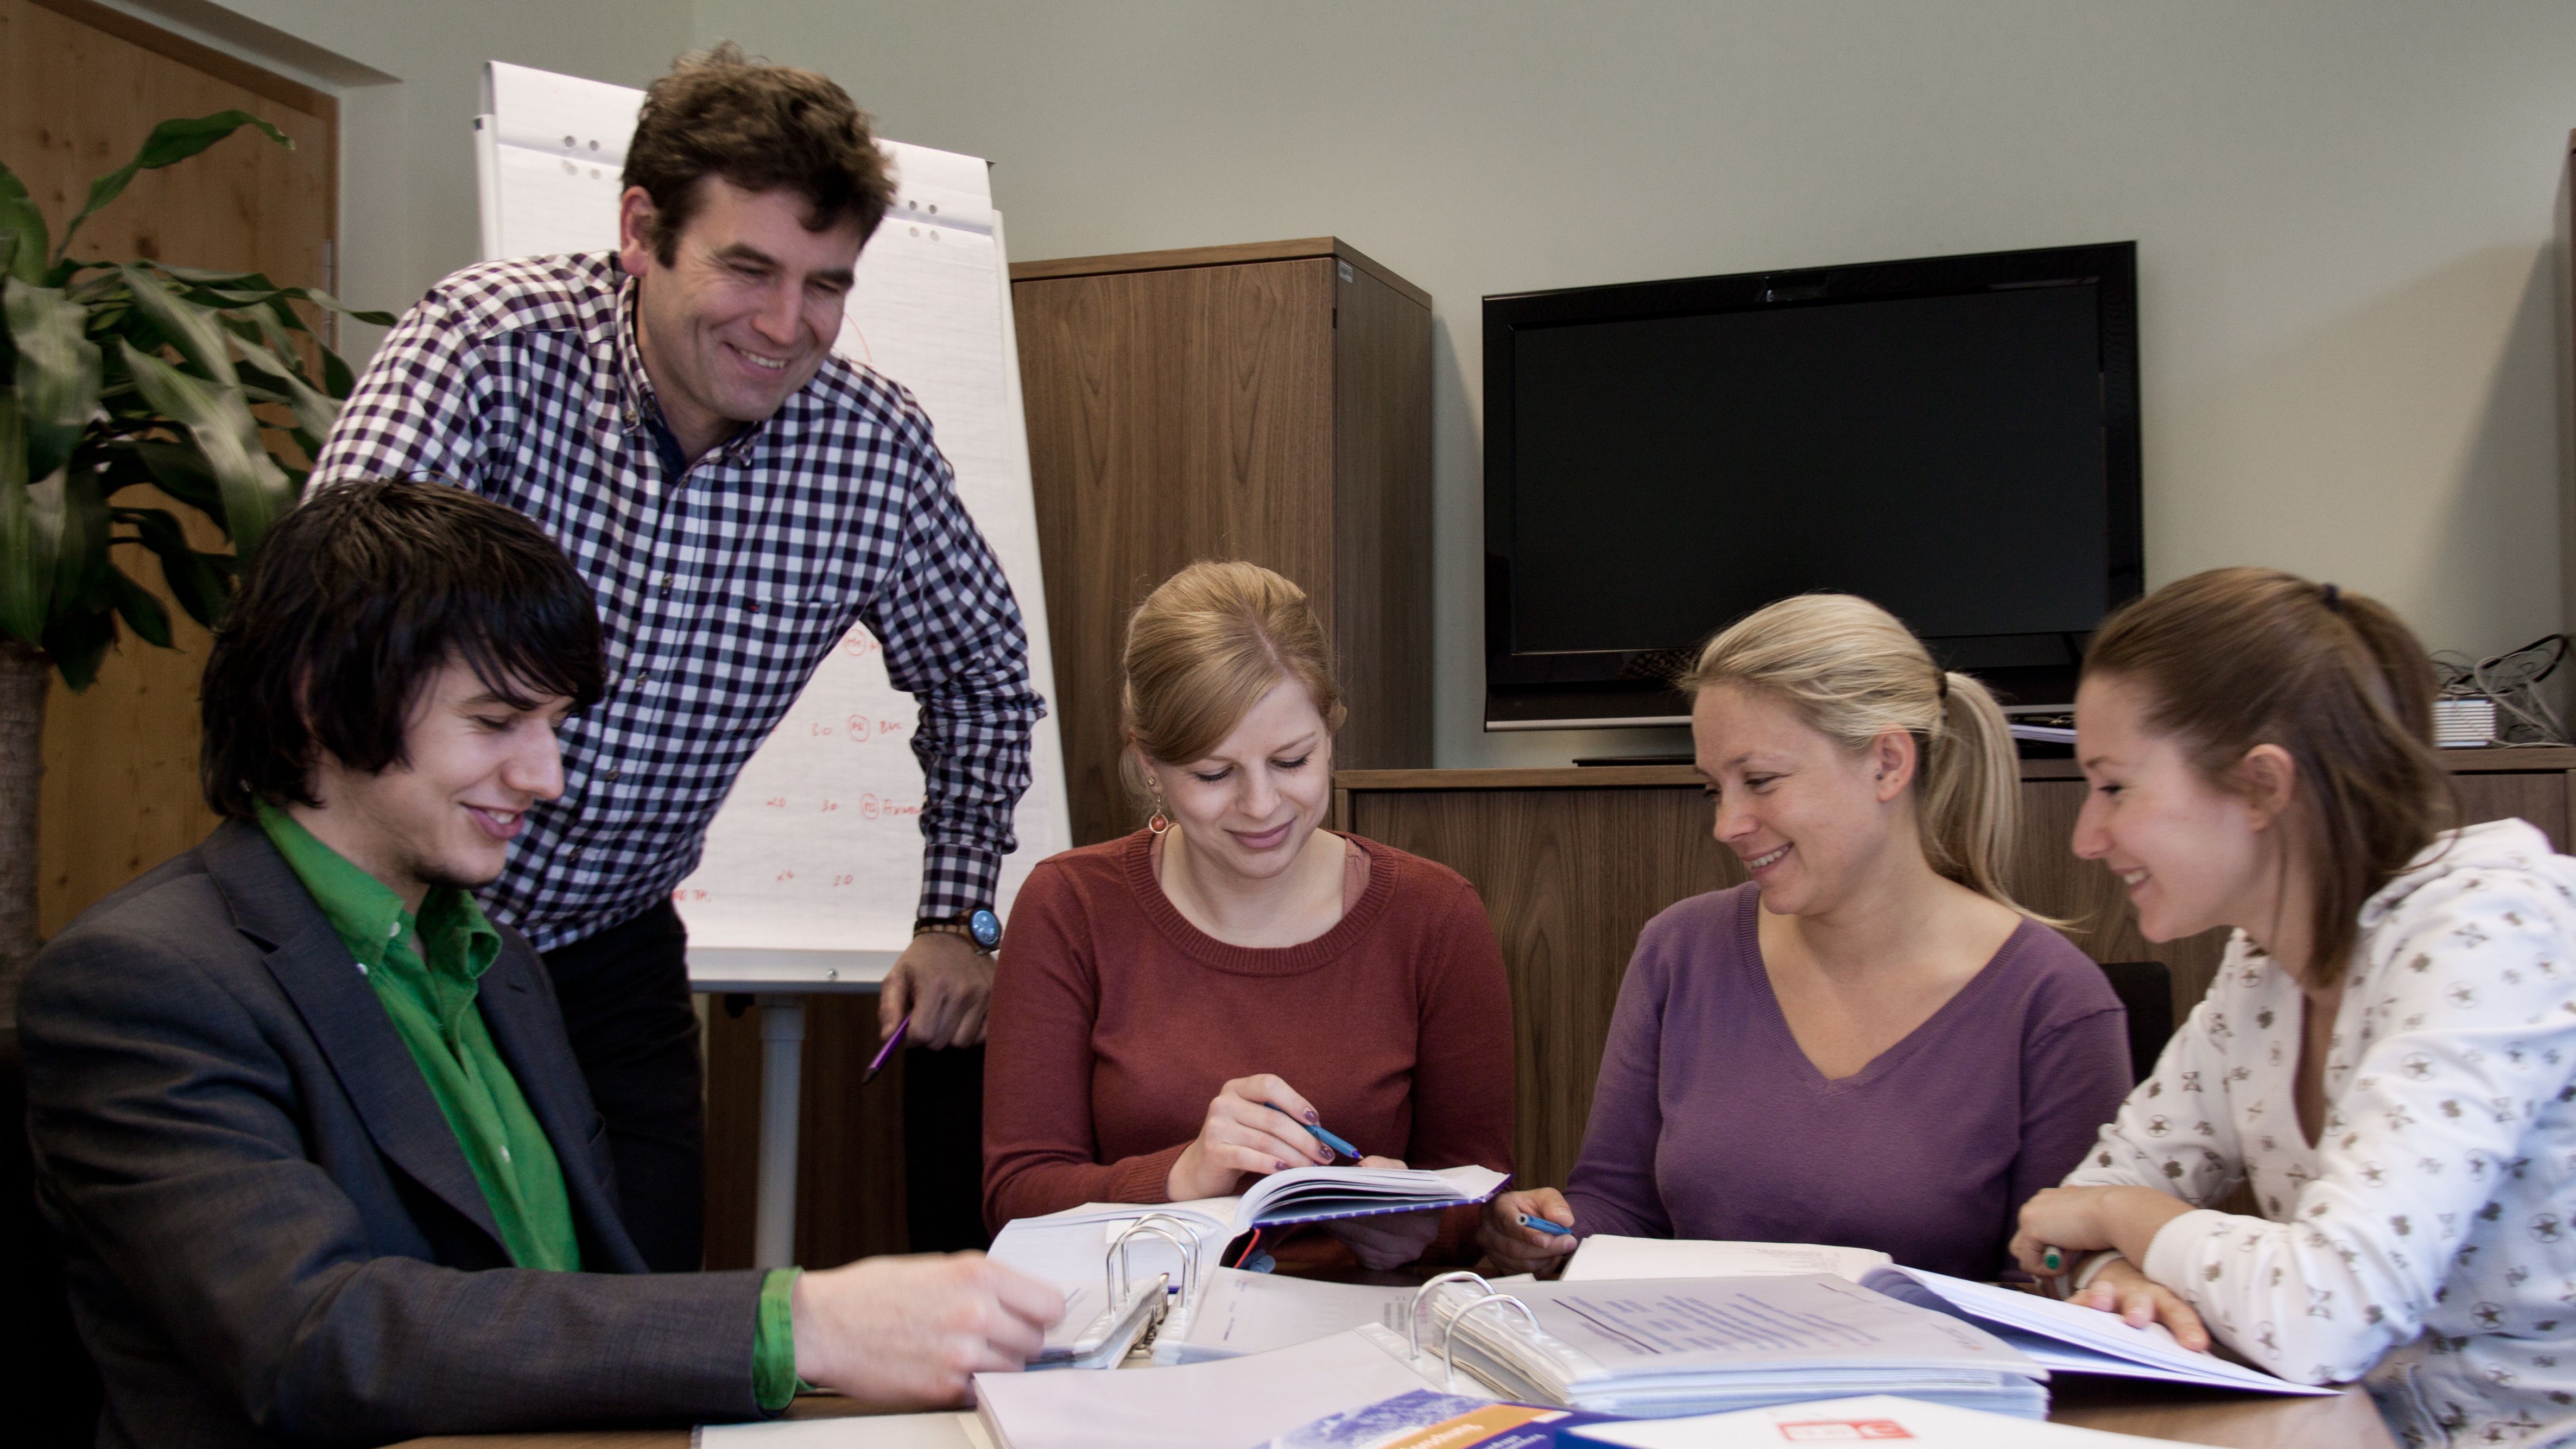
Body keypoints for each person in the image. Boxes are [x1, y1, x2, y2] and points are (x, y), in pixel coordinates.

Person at [18, 482, 1061, 1447]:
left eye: (555, 724)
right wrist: (802, 1322)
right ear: (317, 698)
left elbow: (573, 1307)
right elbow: (318, 1334)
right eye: (496, 721)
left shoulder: (501, 961)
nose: (548, 774)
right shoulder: (144, 981)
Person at [312, 45, 1039, 1269]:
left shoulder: (870, 450)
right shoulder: (487, 348)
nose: (783, 324)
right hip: (393, 932)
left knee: (642, 1298)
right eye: (746, 267)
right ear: (639, 228)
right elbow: (332, 624)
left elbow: (978, 670)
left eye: (824, 285)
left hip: (608, 946)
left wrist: (956, 914)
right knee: (403, 1304)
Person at [2011, 568, 2576, 1445]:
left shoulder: (2487, 930)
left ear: (2263, 787)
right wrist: (2117, 1262)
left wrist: (2129, 1223)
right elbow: (2064, 1212)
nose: (2088, 834)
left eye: (2114, 785)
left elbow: (2327, 1313)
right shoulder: (2264, 962)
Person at [1483, 593, 2133, 1280]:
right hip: (1691, 1372)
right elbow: (1618, 1204)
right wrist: (1550, 1231)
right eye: (1714, 788)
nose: (1727, 823)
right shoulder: (1679, 950)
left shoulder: (2054, 1001)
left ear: (1887, 763)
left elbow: (2054, 1280)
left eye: (1759, 780)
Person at [982, 562, 1513, 1270]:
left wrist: (1422, 1218)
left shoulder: (1434, 915)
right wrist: (1183, 1179)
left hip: (1361, 1347)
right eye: (1213, 774)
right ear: (1149, 764)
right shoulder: (1069, 907)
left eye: (1291, 761)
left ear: (1330, 734)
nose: (1261, 805)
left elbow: (1482, 1196)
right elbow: (1016, 1198)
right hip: (1137, 1350)